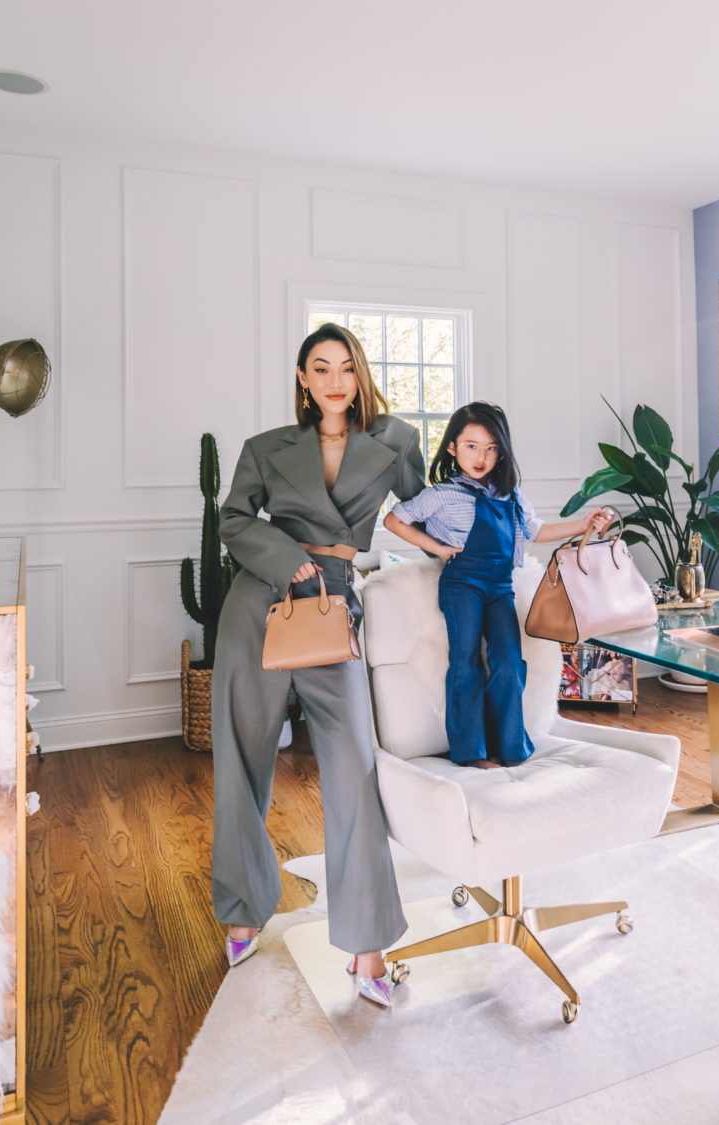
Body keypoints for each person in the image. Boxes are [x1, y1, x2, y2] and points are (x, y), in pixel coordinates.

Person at [211, 322, 426, 1009]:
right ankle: (244, 904)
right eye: (320, 369)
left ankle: (368, 945)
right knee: (242, 754)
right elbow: (234, 519)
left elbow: (428, 511)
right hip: (259, 607)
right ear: (303, 379)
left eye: (346, 369)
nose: (335, 381)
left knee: (353, 767)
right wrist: (282, 558)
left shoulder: (397, 443)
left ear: (359, 376)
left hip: (334, 609)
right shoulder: (264, 448)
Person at [384, 401, 610, 769]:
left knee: (508, 661)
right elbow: (395, 520)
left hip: (500, 587)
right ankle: (471, 752)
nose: (481, 456)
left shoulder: (510, 494)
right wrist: (437, 548)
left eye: (491, 448)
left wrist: (584, 524)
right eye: (471, 446)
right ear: (453, 448)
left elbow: (536, 531)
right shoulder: (442, 494)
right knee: (466, 661)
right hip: (462, 585)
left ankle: (508, 746)